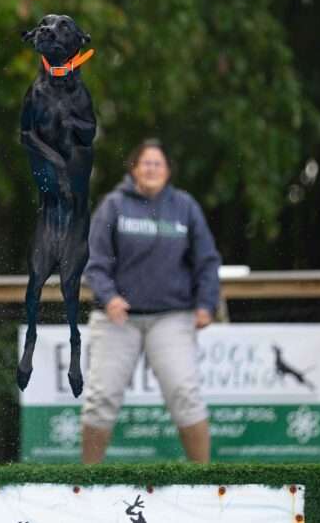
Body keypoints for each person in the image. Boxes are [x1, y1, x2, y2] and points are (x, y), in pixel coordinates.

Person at [80, 138, 222, 464]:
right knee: (101, 399)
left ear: (168, 171)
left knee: (185, 394)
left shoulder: (185, 207)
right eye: (146, 163)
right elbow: (94, 261)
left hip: (172, 317)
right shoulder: (113, 205)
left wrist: (206, 303)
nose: (152, 169)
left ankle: (204, 478)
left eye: (158, 164)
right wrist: (109, 297)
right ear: (134, 168)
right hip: (117, 319)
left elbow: (207, 260)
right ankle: (87, 480)